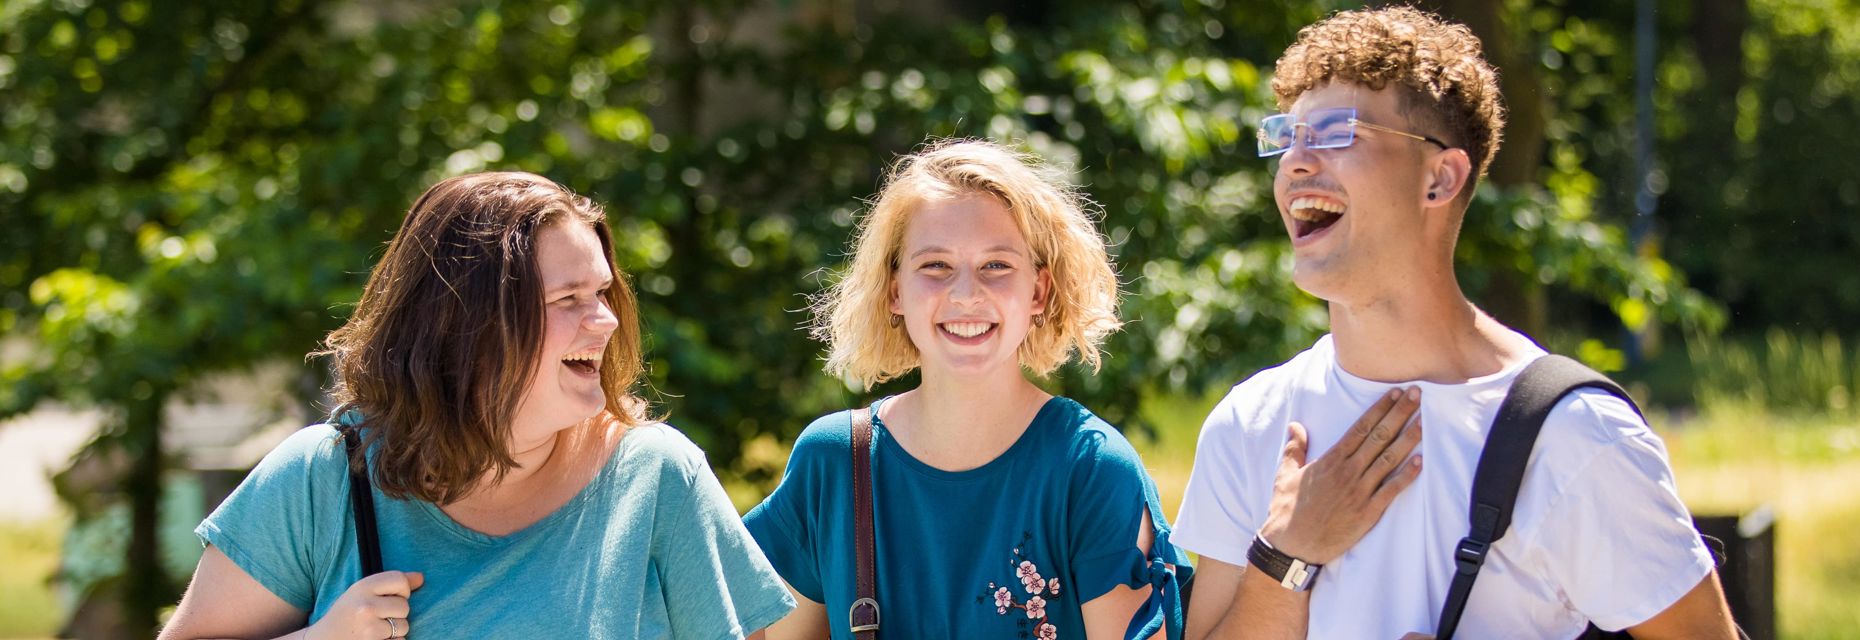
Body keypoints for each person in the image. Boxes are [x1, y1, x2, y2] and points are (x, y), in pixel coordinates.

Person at [1170, 8, 1740, 639]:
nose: (1295, 163)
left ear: (1440, 178)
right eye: (1287, 136)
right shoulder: (1250, 423)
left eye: (1335, 132)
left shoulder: (1576, 438)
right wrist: (1287, 552)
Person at [159, 172, 795, 639]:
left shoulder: (659, 477)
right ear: (464, 325)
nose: (604, 320)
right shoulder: (323, 477)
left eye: (603, 292)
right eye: (567, 298)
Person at [745, 139, 1188, 640]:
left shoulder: (1091, 467)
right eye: (935, 266)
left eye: (996, 266)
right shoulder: (834, 463)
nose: (966, 294)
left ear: (1038, 292)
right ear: (895, 291)